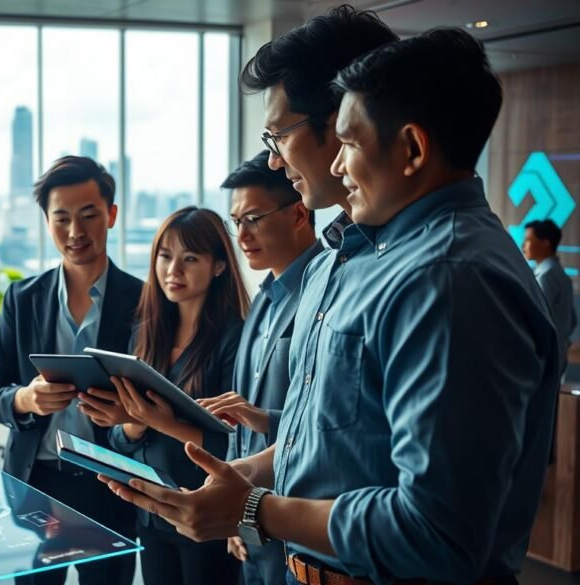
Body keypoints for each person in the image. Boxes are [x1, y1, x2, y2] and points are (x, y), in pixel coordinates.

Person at [102, 27, 560, 585]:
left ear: (412, 149)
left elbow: (438, 532)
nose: (339, 167)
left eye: (348, 142)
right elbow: (334, 438)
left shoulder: (449, 278)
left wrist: (252, 510)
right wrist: (237, 479)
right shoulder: (343, 257)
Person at [0, 155, 142, 585]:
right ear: (46, 221)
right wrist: (25, 399)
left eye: (88, 215)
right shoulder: (21, 299)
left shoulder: (144, 302)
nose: (75, 232)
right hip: (36, 484)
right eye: (61, 218)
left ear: (112, 214)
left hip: (110, 486)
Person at [76, 206, 246, 585]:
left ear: (218, 266)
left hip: (204, 514)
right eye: (165, 257)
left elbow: (237, 445)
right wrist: (134, 426)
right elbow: (123, 439)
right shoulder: (145, 332)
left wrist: (162, 422)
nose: (174, 271)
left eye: (190, 258)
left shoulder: (234, 339)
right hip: (152, 513)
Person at [198, 151, 321, 585]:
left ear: (298, 215)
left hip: (298, 519)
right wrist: (234, 504)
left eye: (253, 218)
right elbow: (239, 416)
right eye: (237, 222)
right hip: (249, 513)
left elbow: (323, 422)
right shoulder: (263, 299)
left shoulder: (325, 294)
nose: (242, 235)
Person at [523, 219, 577, 374]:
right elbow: (572, 320)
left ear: (545, 243)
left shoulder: (546, 276)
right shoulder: (561, 275)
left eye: (528, 240)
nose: (524, 245)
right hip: (557, 355)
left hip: (542, 356)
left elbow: (537, 318)